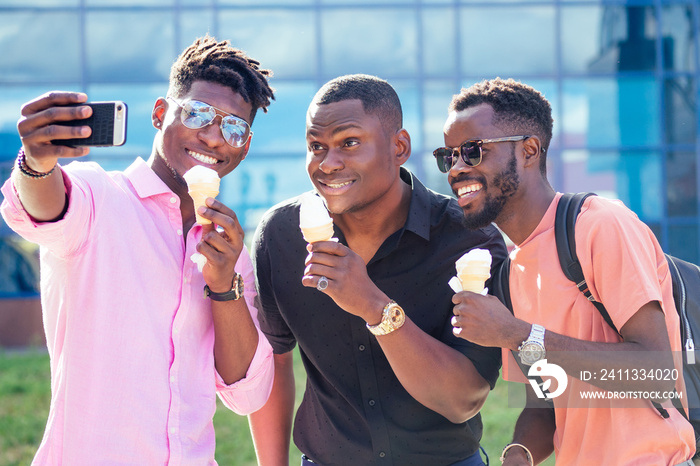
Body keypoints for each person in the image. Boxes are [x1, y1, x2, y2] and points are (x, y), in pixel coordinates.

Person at [0, 36, 275, 464]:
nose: (214, 137)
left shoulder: (230, 248)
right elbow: (42, 207)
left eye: (234, 128)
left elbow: (247, 393)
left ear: (245, 145)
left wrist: (224, 287)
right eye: (198, 112)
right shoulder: (99, 197)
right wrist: (36, 164)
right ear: (161, 114)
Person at [248, 74, 508, 466]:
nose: (328, 164)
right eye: (316, 147)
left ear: (398, 147)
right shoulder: (281, 236)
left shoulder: (469, 239)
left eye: (349, 143)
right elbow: (275, 363)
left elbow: (464, 400)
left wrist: (374, 306)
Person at [440, 77, 695, 465]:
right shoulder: (510, 273)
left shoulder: (599, 225)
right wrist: (517, 456)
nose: (456, 168)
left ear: (528, 150)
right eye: (449, 156)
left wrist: (514, 332)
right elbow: (548, 399)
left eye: (472, 151)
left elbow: (655, 371)